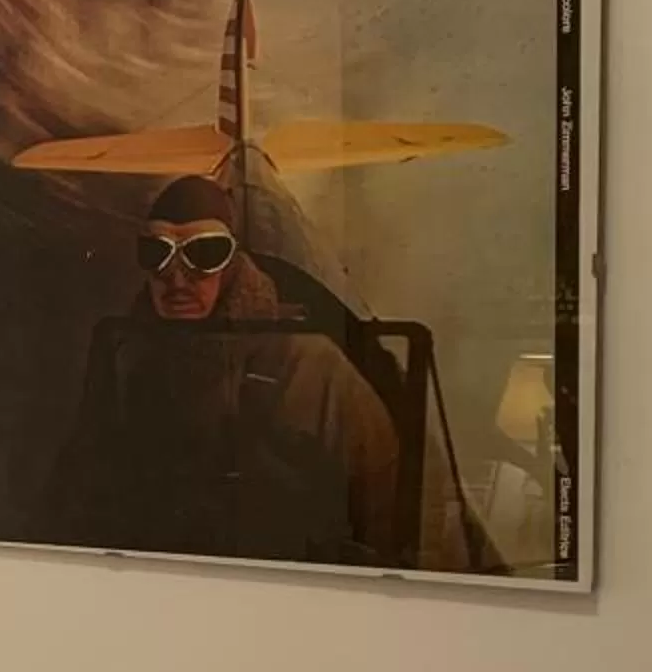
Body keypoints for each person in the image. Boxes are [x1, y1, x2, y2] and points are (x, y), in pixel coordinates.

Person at [44, 175, 481, 571]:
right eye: (157, 254)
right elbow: (85, 492)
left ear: (233, 262)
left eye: (204, 253)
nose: (177, 278)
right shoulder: (129, 363)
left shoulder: (310, 366)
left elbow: (393, 505)